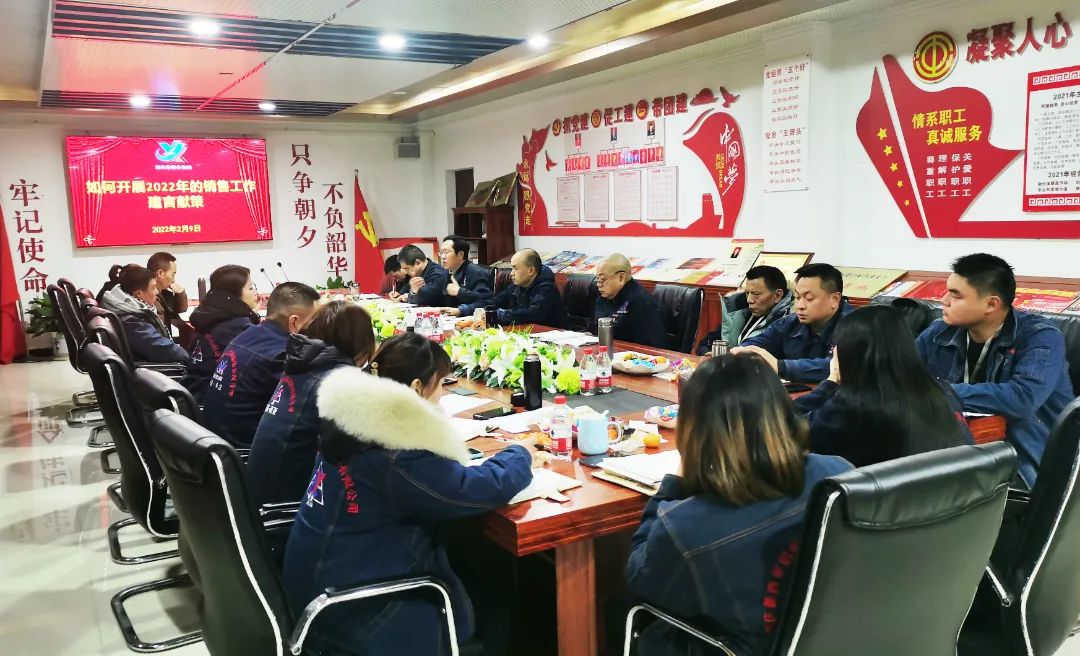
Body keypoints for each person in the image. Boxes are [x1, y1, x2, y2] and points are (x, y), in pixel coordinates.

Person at [282, 332, 539, 655]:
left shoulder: (349, 425)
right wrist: (520, 453)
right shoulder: (397, 457)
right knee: (505, 611)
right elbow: (477, 488)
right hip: (360, 616)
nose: (441, 397)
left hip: (320, 590)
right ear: (417, 388)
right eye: (441, 385)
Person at [623, 353, 852, 655]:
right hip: (836, 640)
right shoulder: (839, 474)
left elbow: (641, 577)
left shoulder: (684, 527)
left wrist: (673, 485)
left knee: (621, 610)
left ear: (694, 430)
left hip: (736, 646)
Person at [916, 253, 1073, 488]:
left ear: (991, 304)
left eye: (956, 295)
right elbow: (900, 377)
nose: (944, 300)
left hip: (1028, 455)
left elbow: (1021, 399)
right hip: (959, 445)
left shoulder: (1041, 337)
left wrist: (941, 392)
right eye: (947, 291)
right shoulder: (939, 332)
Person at [793, 305, 971, 467]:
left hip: (877, 492)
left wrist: (830, 382)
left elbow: (786, 427)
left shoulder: (850, 405)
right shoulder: (942, 390)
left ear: (851, 351)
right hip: (951, 490)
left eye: (836, 346)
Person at [247, 301, 377, 507]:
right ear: (361, 342)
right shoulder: (338, 381)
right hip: (286, 503)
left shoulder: (302, 364)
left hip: (259, 493)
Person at [200, 282, 320, 448]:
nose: (318, 327)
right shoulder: (281, 355)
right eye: (314, 321)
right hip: (243, 450)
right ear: (294, 322)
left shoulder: (247, 334)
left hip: (216, 442)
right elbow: (308, 411)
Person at [733, 263, 854, 382]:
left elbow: (838, 368)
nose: (800, 306)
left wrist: (780, 366)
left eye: (809, 298)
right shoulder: (790, 323)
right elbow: (757, 344)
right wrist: (742, 352)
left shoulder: (855, 326)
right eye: (797, 297)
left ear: (835, 299)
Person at [183, 265, 261, 400]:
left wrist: (251, 314)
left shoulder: (210, 315)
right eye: (250, 288)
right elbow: (257, 368)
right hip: (215, 396)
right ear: (233, 295)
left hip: (194, 388)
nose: (255, 292)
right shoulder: (236, 326)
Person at [443, 249, 568, 328]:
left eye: (515, 268)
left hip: (554, 339)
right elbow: (494, 302)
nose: (511, 273)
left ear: (531, 270)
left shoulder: (546, 288)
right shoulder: (517, 286)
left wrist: (496, 315)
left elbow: (533, 314)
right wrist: (462, 310)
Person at [100, 265, 190, 363]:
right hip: (150, 367)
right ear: (138, 293)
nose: (156, 292)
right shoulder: (131, 320)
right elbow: (160, 348)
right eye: (153, 287)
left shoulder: (126, 307)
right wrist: (189, 357)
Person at [696, 265, 793, 354]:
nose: (749, 300)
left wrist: (726, 357)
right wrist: (709, 354)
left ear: (777, 295)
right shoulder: (739, 310)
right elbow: (705, 344)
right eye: (747, 293)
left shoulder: (787, 322)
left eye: (756, 294)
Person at [592, 253, 665, 347]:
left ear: (621, 278)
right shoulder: (603, 298)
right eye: (597, 279)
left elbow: (649, 347)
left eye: (602, 279)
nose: (598, 284)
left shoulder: (641, 301)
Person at [441, 235, 492, 307]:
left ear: (460, 254)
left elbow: (487, 297)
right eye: (441, 252)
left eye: (446, 252)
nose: (442, 257)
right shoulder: (446, 272)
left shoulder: (476, 271)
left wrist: (460, 292)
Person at [146, 251, 188, 331]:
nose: (174, 279)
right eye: (173, 274)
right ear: (160, 273)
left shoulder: (163, 293)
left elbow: (180, 309)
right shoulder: (149, 297)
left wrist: (180, 293)